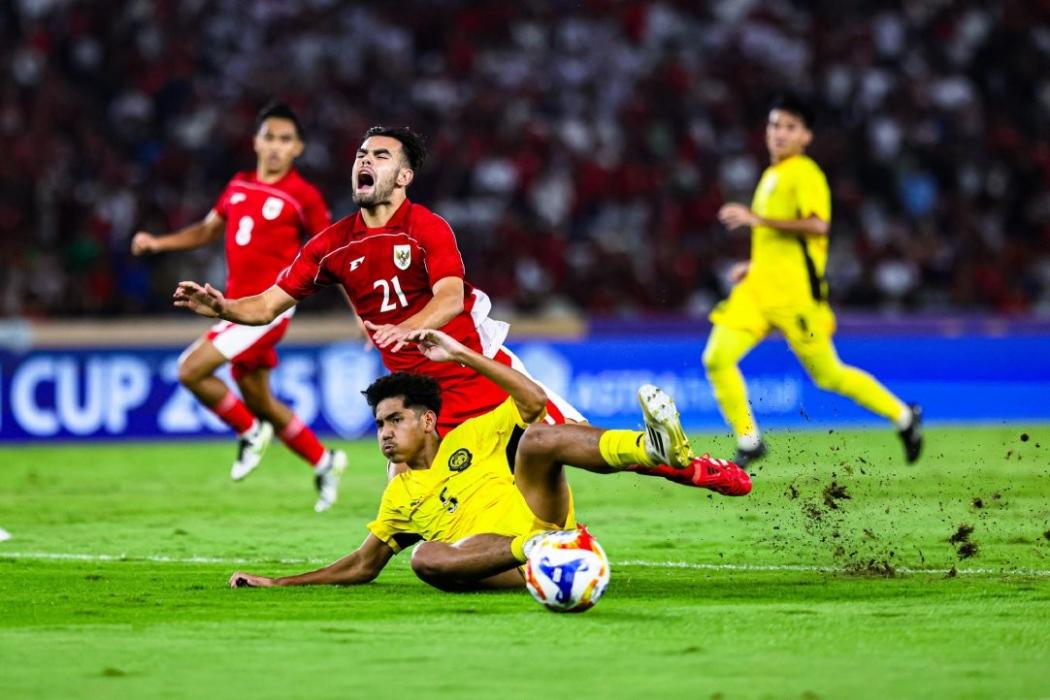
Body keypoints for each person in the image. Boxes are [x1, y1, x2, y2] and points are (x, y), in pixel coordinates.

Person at [174, 126, 583, 476]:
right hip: (423, 408)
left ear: (404, 175)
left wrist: (406, 328)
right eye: (361, 155)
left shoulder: (427, 228)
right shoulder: (331, 246)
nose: (365, 161)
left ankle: (649, 455)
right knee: (408, 523)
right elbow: (266, 306)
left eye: (380, 155)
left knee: (584, 446)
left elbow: (450, 297)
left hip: (482, 379)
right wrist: (224, 307)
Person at [226, 327, 750, 591]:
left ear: (428, 420)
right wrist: (279, 583)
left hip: (544, 514)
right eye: (380, 425)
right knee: (424, 559)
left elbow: (533, 404)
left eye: (394, 421)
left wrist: (462, 355)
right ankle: (545, 551)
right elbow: (363, 565)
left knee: (542, 439)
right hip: (514, 559)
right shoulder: (399, 496)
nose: (384, 435)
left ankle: (649, 447)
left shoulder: (474, 434)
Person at [132, 102, 347, 512]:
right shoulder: (238, 186)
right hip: (232, 306)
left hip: (268, 309)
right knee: (261, 399)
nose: (276, 147)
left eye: (286, 140)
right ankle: (326, 461)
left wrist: (360, 313)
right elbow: (206, 231)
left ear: (298, 148)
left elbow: (332, 255)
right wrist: (158, 243)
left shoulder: (303, 196)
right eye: (269, 137)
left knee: (190, 369)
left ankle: (248, 432)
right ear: (255, 142)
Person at [704, 95, 923, 468]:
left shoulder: (806, 173)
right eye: (775, 125)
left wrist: (757, 221)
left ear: (806, 136)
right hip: (757, 291)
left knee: (828, 375)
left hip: (796, 298)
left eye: (790, 127)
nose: (780, 134)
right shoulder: (771, 174)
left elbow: (817, 224)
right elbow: (778, 242)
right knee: (717, 358)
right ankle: (749, 440)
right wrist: (752, 264)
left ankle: (904, 415)